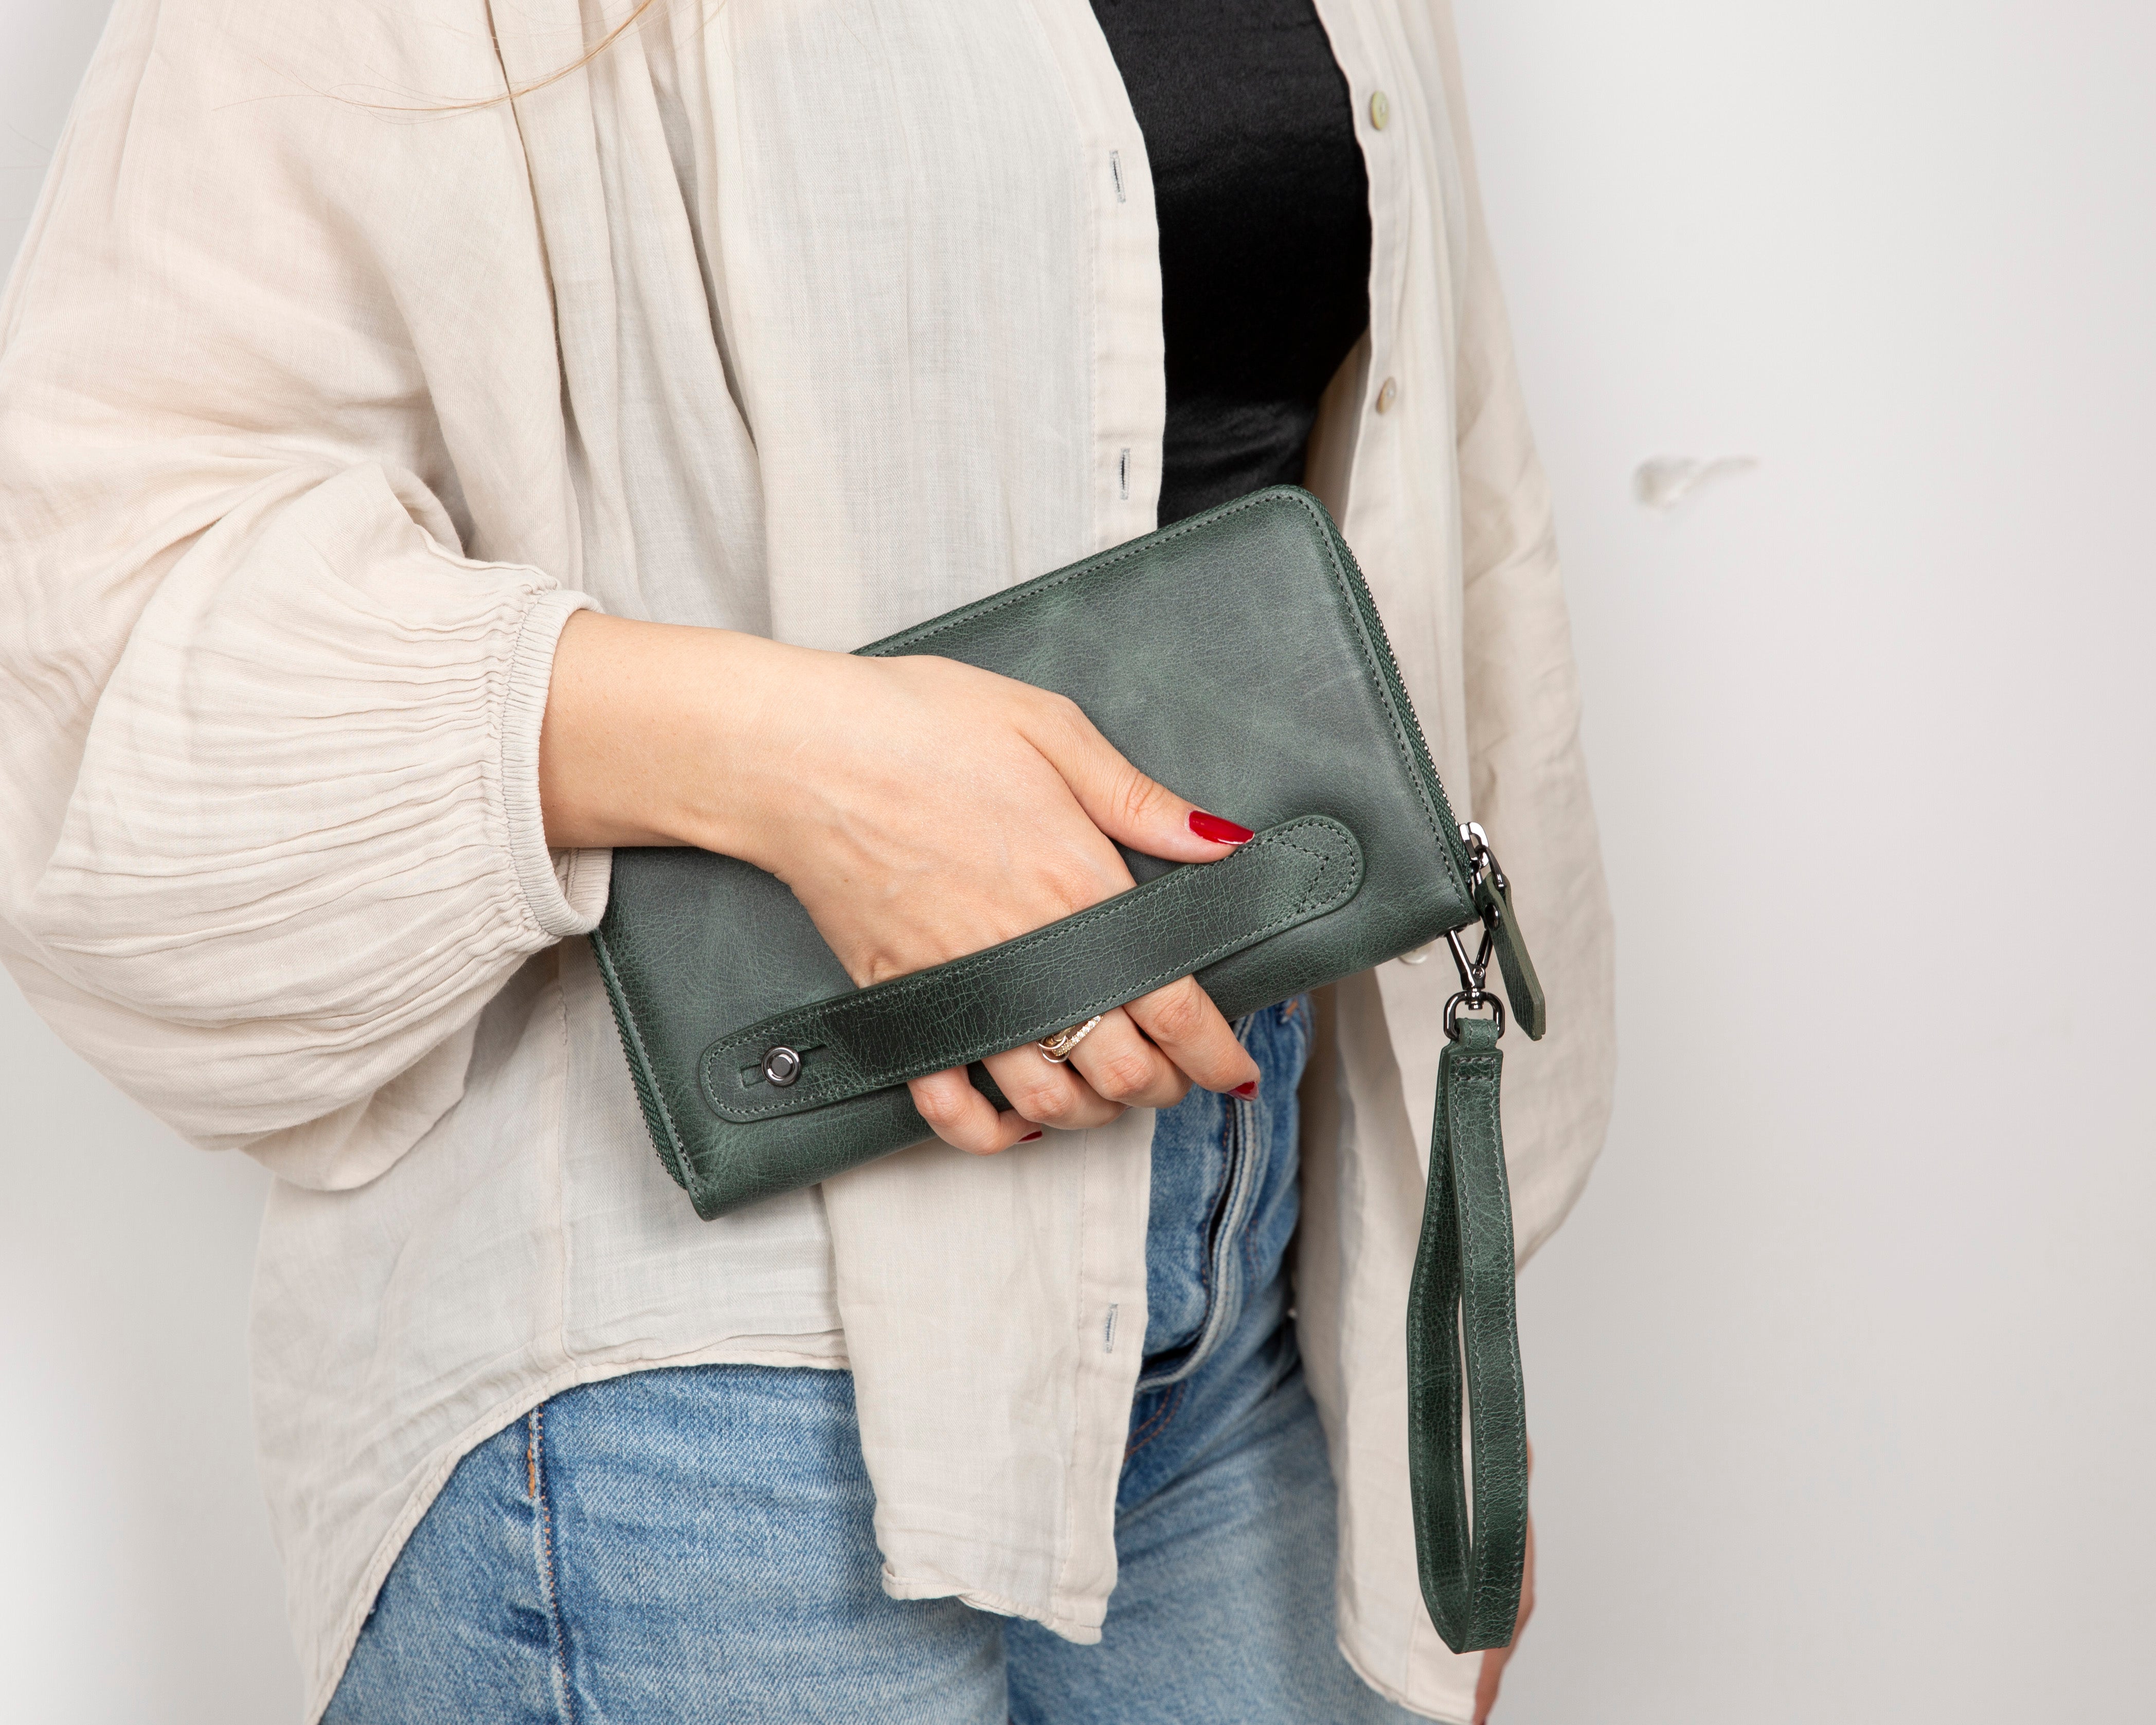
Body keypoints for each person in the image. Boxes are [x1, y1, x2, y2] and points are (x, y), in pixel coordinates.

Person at [0, 0, 1614, 1719]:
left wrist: (1433, 1341)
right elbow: (100, 619)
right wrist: (808, 767)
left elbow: (1444, 500)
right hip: (695, 1367)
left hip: (1248, 1267)